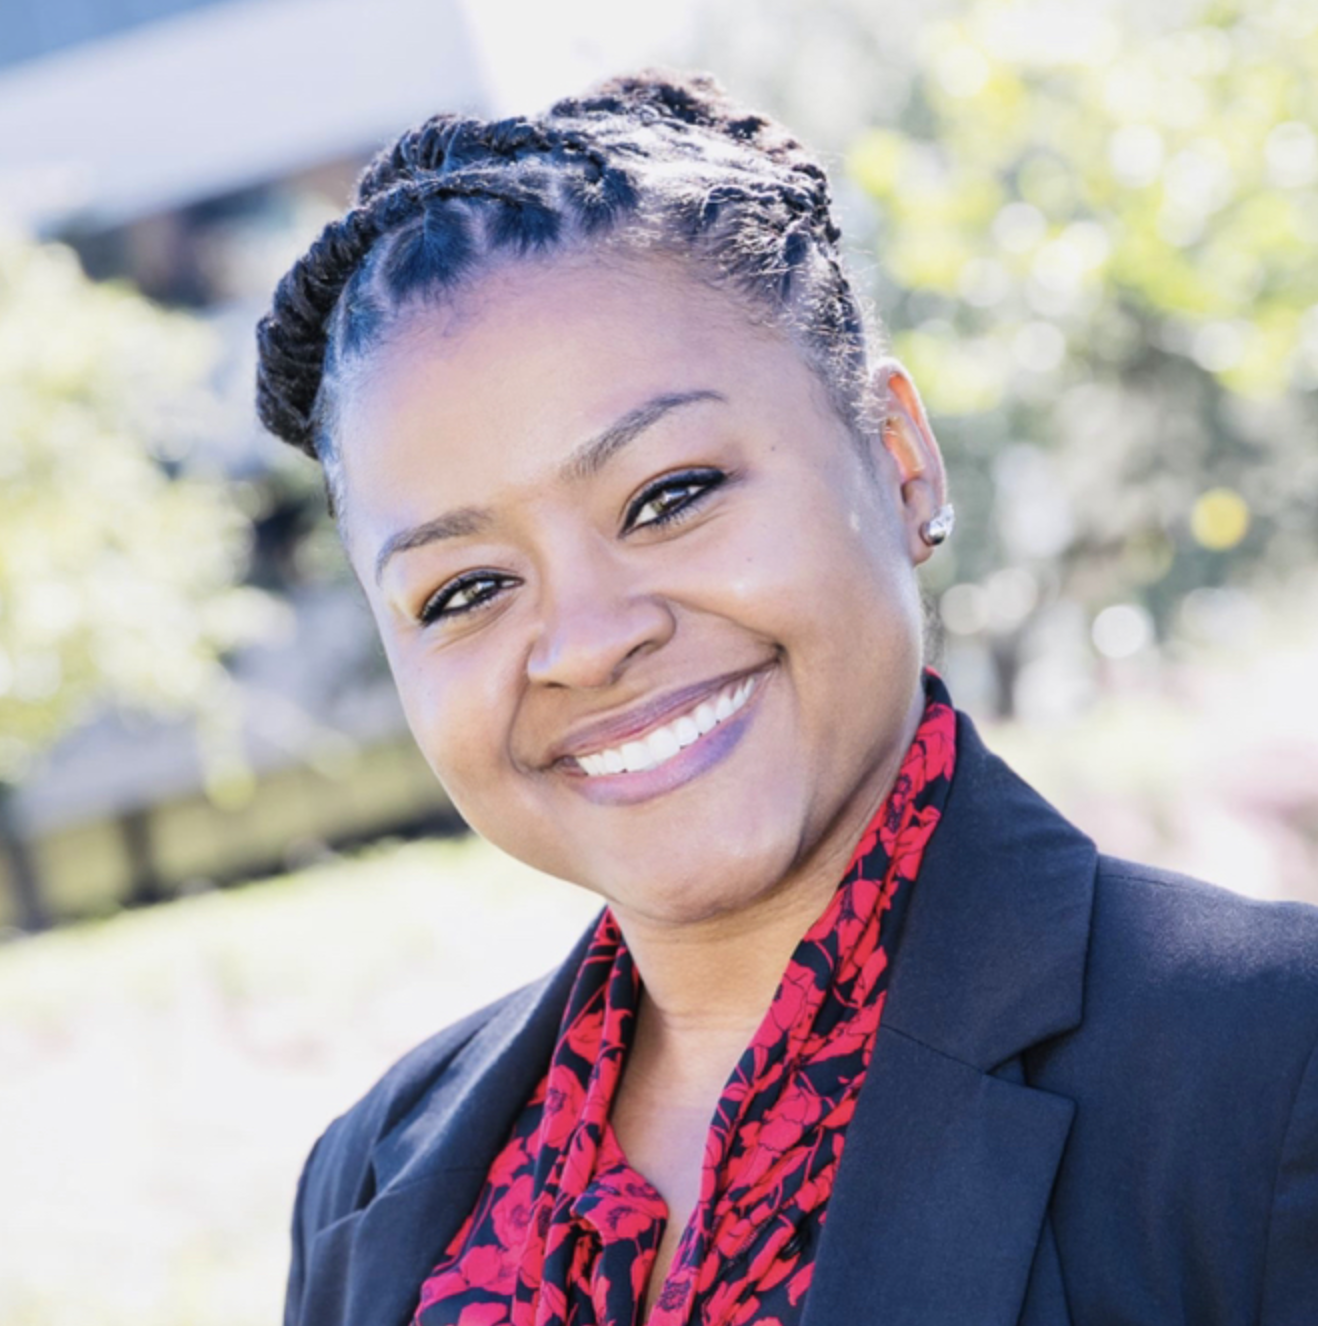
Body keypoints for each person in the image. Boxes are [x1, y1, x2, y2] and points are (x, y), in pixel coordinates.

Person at [255, 71, 1318, 1326]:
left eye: (669, 496)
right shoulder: (372, 1178)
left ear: (899, 458)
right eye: (466, 588)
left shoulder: (1265, 1071)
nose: (585, 644)